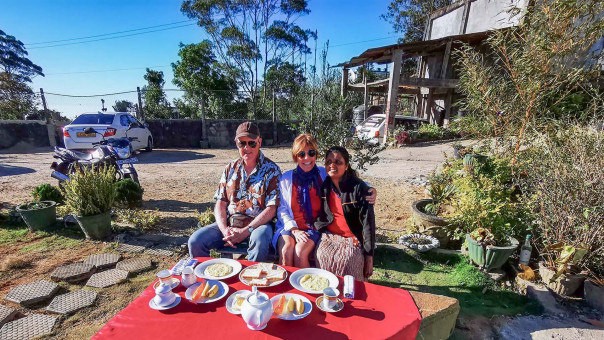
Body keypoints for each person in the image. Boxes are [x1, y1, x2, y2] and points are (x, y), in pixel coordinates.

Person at [273, 134, 376, 268]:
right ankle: (286, 286)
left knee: (299, 252)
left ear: (316, 154)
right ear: (295, 156)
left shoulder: (323, 174)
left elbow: (348, 180)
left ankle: (304, 287)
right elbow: (282, 208)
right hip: (289, 226)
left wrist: (370, 189)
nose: (307, 158)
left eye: (311, 153)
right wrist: (294, 230)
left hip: (312, 227)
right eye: (301, 154)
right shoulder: (286, 178)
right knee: (286, 251)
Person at [188, 122, 281, 262]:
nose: (247, 148)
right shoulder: (230, 168)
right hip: (231, 224)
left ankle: (251, 281)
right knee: (196, 241)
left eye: (252, 143)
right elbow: (220, 202)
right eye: (242, 143)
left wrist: (245, 232)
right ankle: (209, 281)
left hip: (258, 225)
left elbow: (272, 209)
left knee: (260, 240)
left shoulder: (272, 170)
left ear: (259, 142)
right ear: (236, 143)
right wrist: (225, 229)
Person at [314, 146, 376, 281]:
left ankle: (350, 294)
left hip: (352, 237)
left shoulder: (358, 188)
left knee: (349, 259)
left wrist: (369, 256)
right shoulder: (326, 186)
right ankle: (327, 293)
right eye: (328, 162)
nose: (332, 165)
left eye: (338, 162)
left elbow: (368, 223)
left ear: (346, 166)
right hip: (331, 235)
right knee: (322, 255)